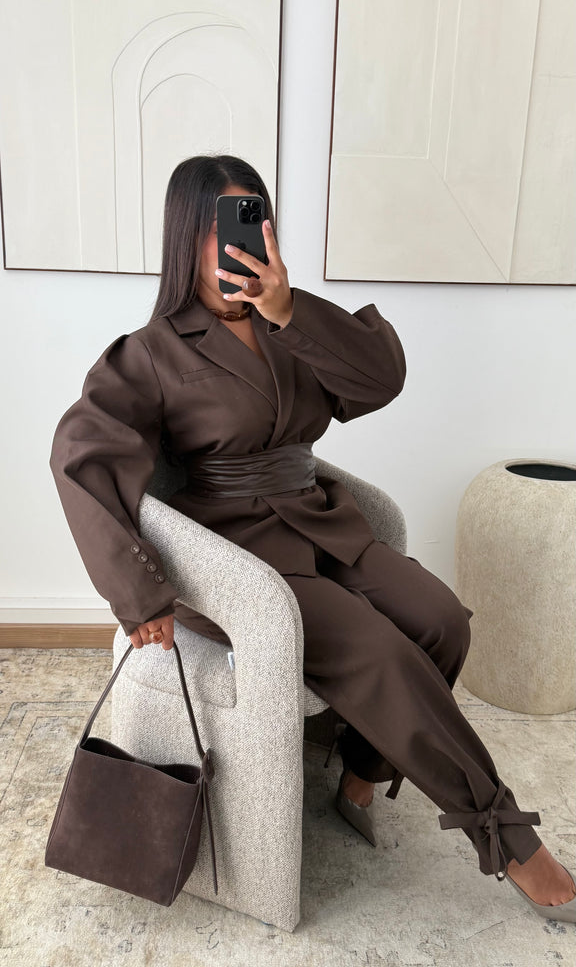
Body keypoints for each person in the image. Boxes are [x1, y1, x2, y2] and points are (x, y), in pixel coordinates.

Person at [49, 154, 576, 922]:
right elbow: (82, 456)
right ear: (186, 236)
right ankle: (509, 840)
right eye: (219, 227)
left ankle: (360, 772)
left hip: (324, 520)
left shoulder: (289, 320)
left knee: (442, 621)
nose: (238, 243)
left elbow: (379, 381)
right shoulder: (151, 352)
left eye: (252, 220)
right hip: (242, 557)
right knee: (386, 656)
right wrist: (137, 594)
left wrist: (289, 308)